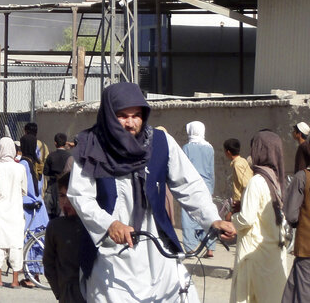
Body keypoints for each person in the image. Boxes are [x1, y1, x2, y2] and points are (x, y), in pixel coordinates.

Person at [68, 82, 235, 303]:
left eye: (136, 115)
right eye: (123, 116)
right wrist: (110, 224)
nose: (130, 123)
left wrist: (212, 220)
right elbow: (81, 197)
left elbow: (190, 185)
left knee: (183, 294)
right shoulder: (90, 145)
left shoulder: (160, 142)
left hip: (157, 251)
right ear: (109, 114)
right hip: (110, 254)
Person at [229, 130, 288, 302]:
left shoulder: (257, 181)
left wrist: (231, 219)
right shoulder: (276, 179)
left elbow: (246, 219)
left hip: (255, 254)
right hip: (273, 252)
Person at [0, 137, 27, 288]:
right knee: (16, 245)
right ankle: (15, 280)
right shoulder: (21, 168)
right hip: (16, 211)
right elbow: (24, 190)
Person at [43, 172, 86, 303]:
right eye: (62, 196)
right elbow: (49, 264)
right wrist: (59, 292)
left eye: (71, 196)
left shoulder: (92, 226)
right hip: (68, 293)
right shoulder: (55, 227)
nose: (66, 201)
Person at [180, 121, 216, 256]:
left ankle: (190, 247)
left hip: (190, 184)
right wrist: (211, 188)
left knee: (188, 214)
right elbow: (211, 171)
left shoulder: (187, 148)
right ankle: (210, 247)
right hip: (206, 185)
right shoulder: (210, 148)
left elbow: (183, 169)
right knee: (206, 214)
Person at [18, 134, 49, 287]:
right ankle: (36, 274)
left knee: (28, 240)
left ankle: (30, 277)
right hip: (40, 207)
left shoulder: (23, 164)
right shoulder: (38, 164)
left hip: (28, 208)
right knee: (37, 241)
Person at [284, 138, 310, 303]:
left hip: (307, 246)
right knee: (292, 290)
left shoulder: (302, 177)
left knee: (303, 291)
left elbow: (291, 214)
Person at [43, 133, 72, 218]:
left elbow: (45, 171)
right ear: (65, 143)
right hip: (64, 187)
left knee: (48, 211)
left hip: (52, 185)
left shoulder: (51, 155)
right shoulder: (69, 156)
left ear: (55, 143)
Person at [224, 138, 254, 214]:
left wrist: (241, 203)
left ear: (228, 152)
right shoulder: (242, 161)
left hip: (240, 203)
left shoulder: (238, 165)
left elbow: (246, 184)